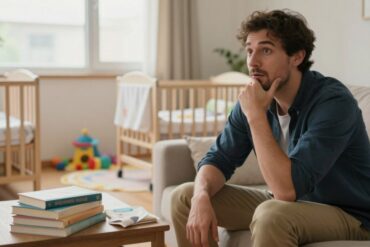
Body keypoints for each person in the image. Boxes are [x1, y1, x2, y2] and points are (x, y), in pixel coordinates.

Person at [171, 9, 370, 247]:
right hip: (290, 205)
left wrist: (255, 116)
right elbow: (219, 158)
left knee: (271, 215)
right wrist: (201, 194)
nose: (253, 62)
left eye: (266, 50)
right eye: (249, 50)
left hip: (350, 214)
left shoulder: (333, 103)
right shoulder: (255, 98)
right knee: (185, 196)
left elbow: (287, 190)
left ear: (296, 56)